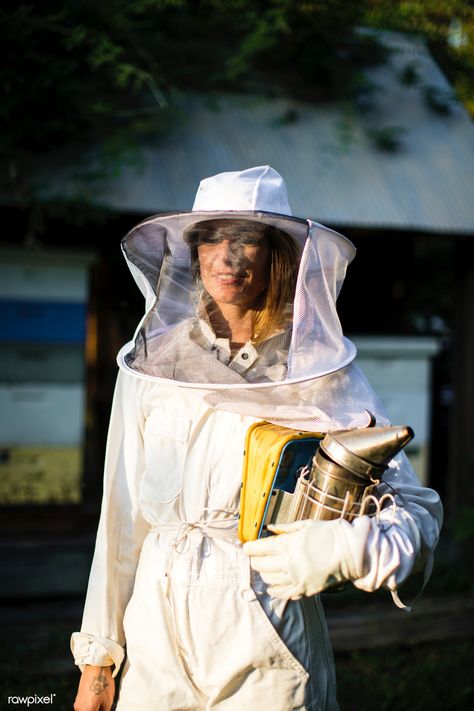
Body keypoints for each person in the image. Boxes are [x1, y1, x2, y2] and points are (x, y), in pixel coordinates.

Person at [72, 166, 442, 711]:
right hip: (154, 629)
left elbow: (414, 513)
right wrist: (100, 661)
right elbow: (122, 515)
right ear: (194, 252)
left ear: (277, 256)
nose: (229, 256)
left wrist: (346, 548)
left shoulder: (318, 372)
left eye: (248, 240)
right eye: (213, 238)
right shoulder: (154, 362)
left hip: (266, 627)